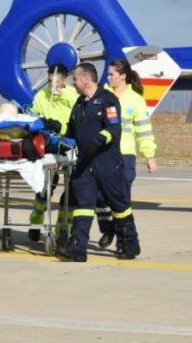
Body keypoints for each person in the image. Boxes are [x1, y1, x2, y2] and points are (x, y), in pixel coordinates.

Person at [57, 63, 139, 262]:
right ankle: (78, 247)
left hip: (107, 163)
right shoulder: (78, 104)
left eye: (75, 79)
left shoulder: (108, 101)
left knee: (119, 205)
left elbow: (114, 129)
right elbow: (70, 132)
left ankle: (129, 244)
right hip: (84, 164)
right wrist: (60, 149)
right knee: (83, 204)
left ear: (86, 80)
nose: (73, 83)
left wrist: (98, 140)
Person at [96, 59, 157, 250]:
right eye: (107, 74)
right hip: (102, 154)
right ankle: (108, 229)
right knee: (99, 197)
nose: (108, 77)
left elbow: (144, 130)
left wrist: (149, 155)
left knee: (121, 200)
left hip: (125, 155)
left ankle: (123, 241)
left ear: (122, 76)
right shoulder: (101, 95)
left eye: (111, 74)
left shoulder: (136, 100)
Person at [27, 63, 78, 242]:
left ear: (65, 80)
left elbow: (78, 119)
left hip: (70, 145)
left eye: (56, 82)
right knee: (45, 187)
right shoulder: (41, 96)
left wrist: (61, 99)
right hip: (49, 145)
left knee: (72, 190)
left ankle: (64, 228)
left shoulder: (73, 95)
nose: (52, 86)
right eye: (49, 82)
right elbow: (33, 117)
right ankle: (36, 221)